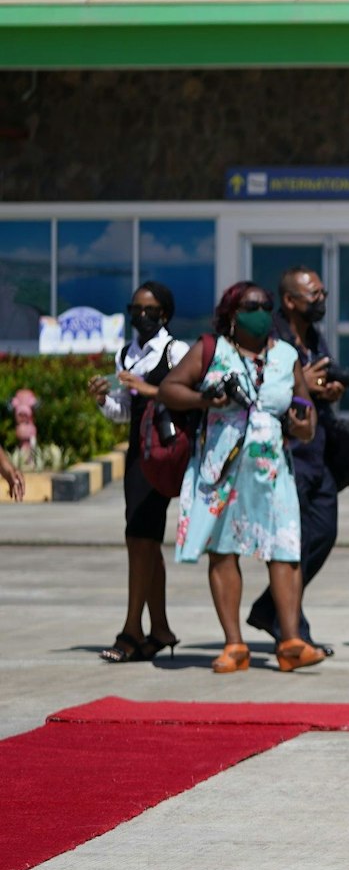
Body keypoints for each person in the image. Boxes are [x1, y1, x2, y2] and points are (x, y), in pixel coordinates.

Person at [157, 281, 324, 674]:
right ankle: (234, 645)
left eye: (266, 305)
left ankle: (291, 641)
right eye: (252, 305)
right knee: (224, 548)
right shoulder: (212, 349)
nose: (261, 311)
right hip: (223, 465)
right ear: (232, 313)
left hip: (273, 469)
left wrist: (302, 425)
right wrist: (203, 399)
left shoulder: (286, 355)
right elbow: (168, 389)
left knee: (284, 549)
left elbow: (305, 411)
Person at [88, 281, 189, 663]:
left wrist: (144, 388)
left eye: (149, 310)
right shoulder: (126, 354)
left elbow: (187, 395)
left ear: (164, 314)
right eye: (135, 310)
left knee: (140, 537)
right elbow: (125, 412)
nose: (140, 317)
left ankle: (131, 630)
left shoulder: (175, 351)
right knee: (143, 539)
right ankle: (159, 628)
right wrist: (103, 399)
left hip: (164, 452)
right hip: (138, 453)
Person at [246, 266, 340, 654]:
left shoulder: (312, 335)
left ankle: (271, 609)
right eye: (313, 295)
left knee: (323, 532)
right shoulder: (271, 339)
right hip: (284, 455)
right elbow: (260, 391)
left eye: (322, 294)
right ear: (289, 301)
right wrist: (305, 388)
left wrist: (326, 391)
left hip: (316, 451)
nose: (321, 301)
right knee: (288, 546)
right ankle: (293, 629)